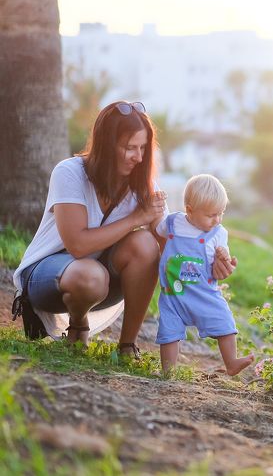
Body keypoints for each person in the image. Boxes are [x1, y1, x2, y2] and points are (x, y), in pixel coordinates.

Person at [12, 100, 237, 358]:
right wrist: (135, 218)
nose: (138, 157)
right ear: (106, 145)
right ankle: (78, 325)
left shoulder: (143, 185)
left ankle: (128, 345)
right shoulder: (69, 173)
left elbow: (172, 247)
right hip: (45, 280)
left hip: (102, 283)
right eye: (130, 147)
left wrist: (211, 264)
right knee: (91, 275)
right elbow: (78, 246)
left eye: (143, 148)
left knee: (145, 245)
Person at [155, 174, 253, 376]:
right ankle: (168, 371)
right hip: (174, 295)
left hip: (204, 294)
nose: (217, 220)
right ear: (189, 210)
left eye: (221, 213)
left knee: (224, 320)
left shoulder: (218, 233)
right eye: (211, 215)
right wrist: (154, 205)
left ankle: (231, 362)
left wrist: (223, 258)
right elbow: (156, 229)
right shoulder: (173, 223)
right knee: (169, 332)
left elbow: (222, 260)